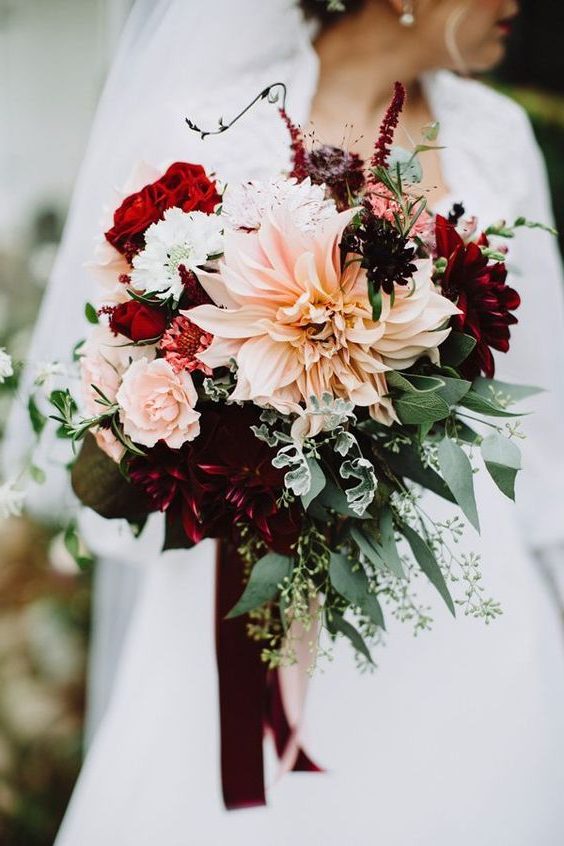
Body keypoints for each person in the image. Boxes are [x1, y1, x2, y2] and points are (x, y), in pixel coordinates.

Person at [7, 0, 564, 843]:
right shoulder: (208, 121)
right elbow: (117, 364)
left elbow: (543, 400)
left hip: (469, 596)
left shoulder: (496, 137)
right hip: (242, 593)